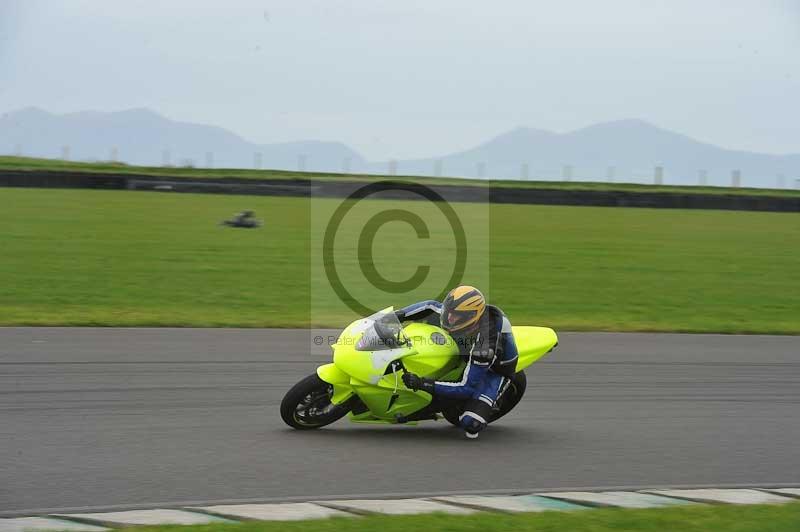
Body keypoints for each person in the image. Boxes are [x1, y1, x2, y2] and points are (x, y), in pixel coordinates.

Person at [396, 286, 519, 438]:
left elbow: (465, 388)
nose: (450, 319)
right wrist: (392, 317)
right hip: (465, 353)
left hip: (495, 370)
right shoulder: (452, 314)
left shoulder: (485, 346)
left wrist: (422, 383)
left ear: (472, 316)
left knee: (471, 424)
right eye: (449, 312)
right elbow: (430, 305)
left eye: (456, 316)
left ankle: (491, 400)